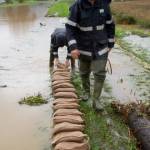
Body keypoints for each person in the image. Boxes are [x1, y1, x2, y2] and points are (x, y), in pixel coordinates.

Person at [66, 0, 115, 111]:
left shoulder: (104, 5)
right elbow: (70, 28)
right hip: (83, 47)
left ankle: (96, 100)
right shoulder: (77, 6)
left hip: (101, 46)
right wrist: (73, 47)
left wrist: (111, 42)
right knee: (84, 72)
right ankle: (86, 92)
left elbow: (110, 24)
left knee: (100, 73)